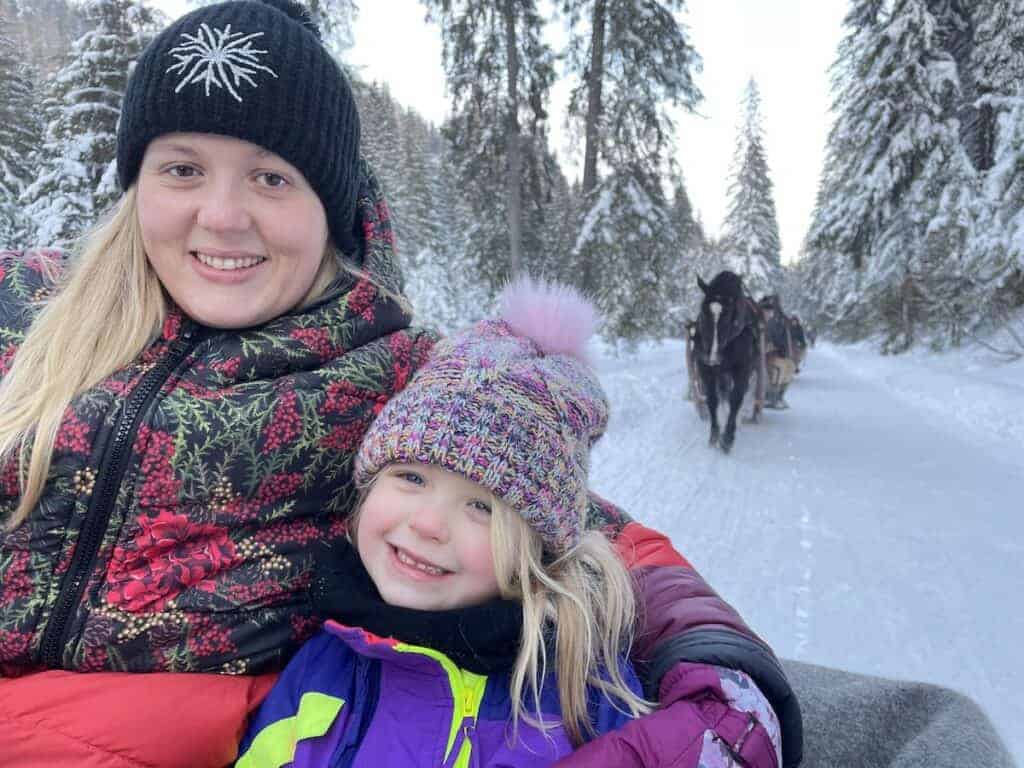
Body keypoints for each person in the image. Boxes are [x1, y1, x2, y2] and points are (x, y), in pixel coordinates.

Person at [0, 2, 801, 766]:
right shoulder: (23, 307)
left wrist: (717, 660)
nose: (221, 215)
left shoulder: (398, 377)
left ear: (333, 207)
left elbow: (580, 529)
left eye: (271, 178)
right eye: (182, 169)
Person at [238, 278, 657, 765]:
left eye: (481, 507)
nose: (428, 525)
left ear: (536, 547)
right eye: (411, 477)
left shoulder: (584, 695)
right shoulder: (320, 669)